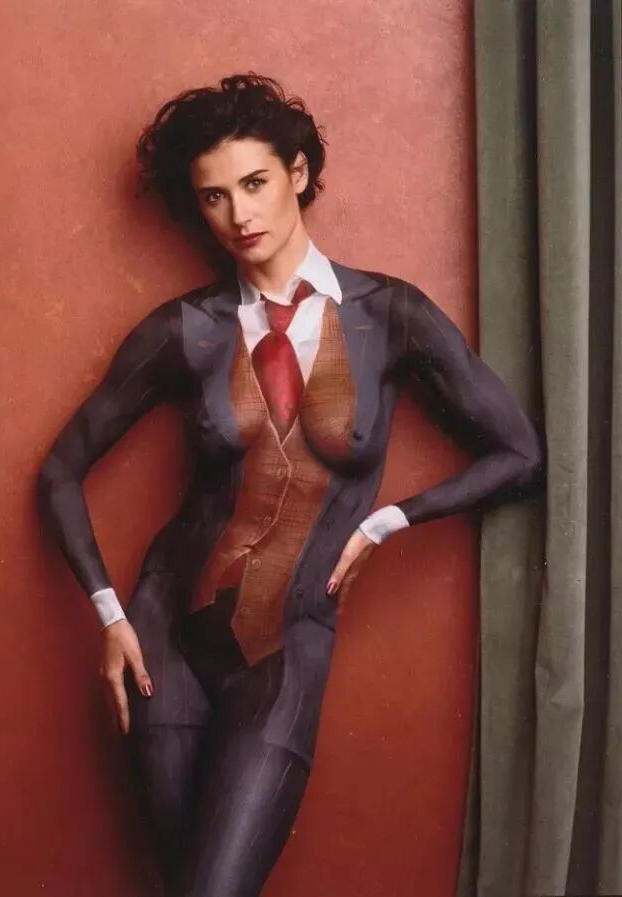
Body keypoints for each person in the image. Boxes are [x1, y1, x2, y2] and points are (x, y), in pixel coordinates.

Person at [36, 73, 544, 897]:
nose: (238, 214)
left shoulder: (391, 315)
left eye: (254, 182)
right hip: (163, 645)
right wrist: (110, 614)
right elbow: (59, 470)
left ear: (298, 172)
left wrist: (386, 521)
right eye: (213, 196)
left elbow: (519, 452)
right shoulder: (184, 331)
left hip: (287, 648)